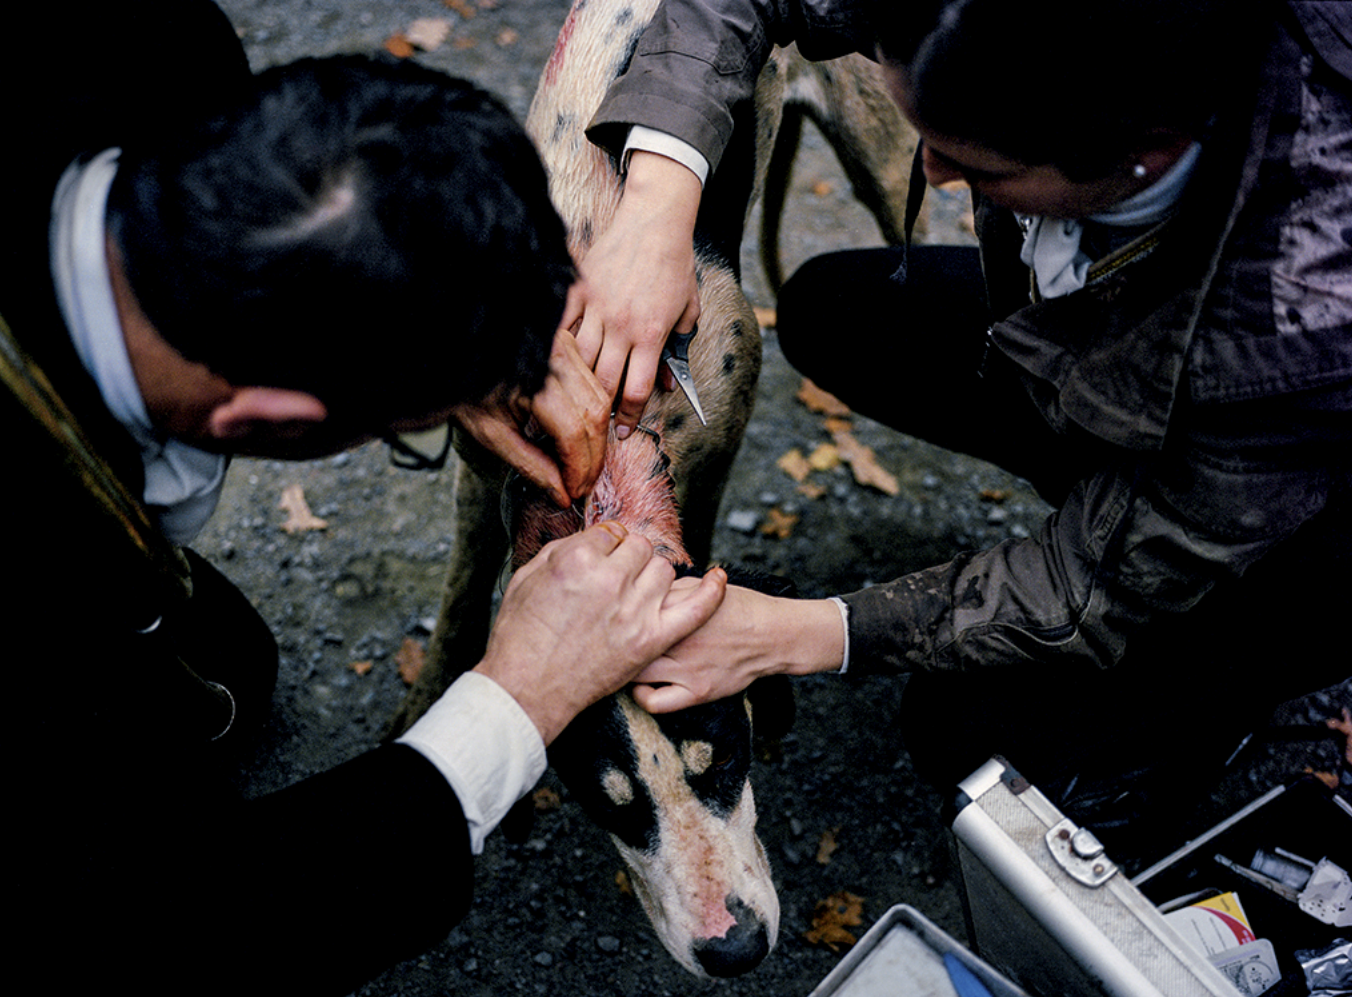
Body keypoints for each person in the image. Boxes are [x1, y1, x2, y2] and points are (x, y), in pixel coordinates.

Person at [2, 3, 723, 993]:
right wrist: (519, 691)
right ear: (265, 420)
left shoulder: (156, 53)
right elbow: (144, 931)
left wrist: (475, 355)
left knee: (234, 674)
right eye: (412, 430)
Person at [565, 0, 1351, 835]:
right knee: (834, 310)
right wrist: (656, 201)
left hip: (1293, 517)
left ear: (1143, 153)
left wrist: (806, 631)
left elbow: (1092, 584)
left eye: (981, 165)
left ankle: (1196, 714)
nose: (932, 170)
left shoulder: (1300, 329)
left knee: (962, 737)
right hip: (1148, 367)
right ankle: (1101, 473)